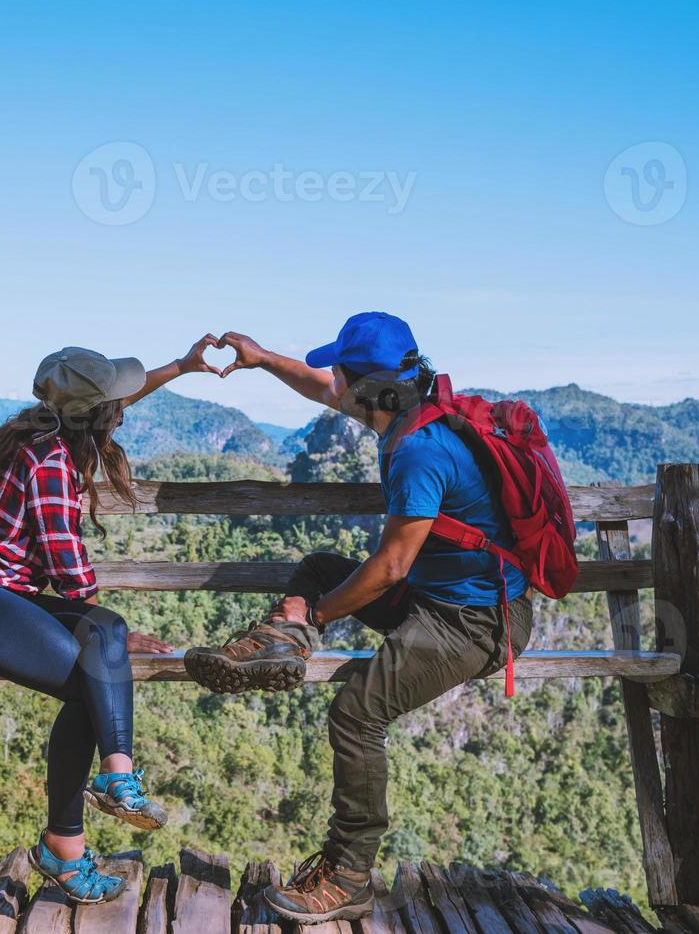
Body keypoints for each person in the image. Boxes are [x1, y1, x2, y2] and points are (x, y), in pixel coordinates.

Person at [184, 313, 533, 924]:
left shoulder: (421, 449)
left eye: (339, 370)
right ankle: (285, 642)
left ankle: (349, 874)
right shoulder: (403, 408)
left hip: (477, 621)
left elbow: (393, 565)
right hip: (439, 599)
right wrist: (262, 358)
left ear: (363, 379)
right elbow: (319, 387)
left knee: (356, 710)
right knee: (321, 563)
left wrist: (318, 612)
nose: (331, 380)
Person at [0, 338, 221, 904]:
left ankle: (112, 780)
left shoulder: (42, 428)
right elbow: (69, 570)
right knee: (98, 673)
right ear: (101, 415)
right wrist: (99, 629)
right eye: (116, 403)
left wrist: (182, 367)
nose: (124, 408)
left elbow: (117, 395)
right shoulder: (51, 460)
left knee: (106, 633)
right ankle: (72, 841)